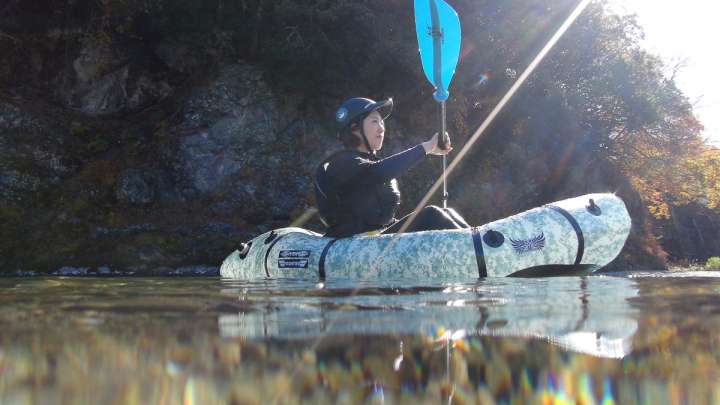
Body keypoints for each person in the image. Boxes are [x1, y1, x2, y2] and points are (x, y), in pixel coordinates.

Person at [314, 97, 470, 237]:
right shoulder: (340, 163)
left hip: (375, 239)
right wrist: (427, 147)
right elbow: (376, 173)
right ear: (354, 128)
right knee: (432, 215)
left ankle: (481, 247)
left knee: (447, 212)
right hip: (352, 246)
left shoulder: (370, 162)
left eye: (382, 122)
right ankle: (480, 258)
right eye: (375, 121)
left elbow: (382, 215)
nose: (382, 128)